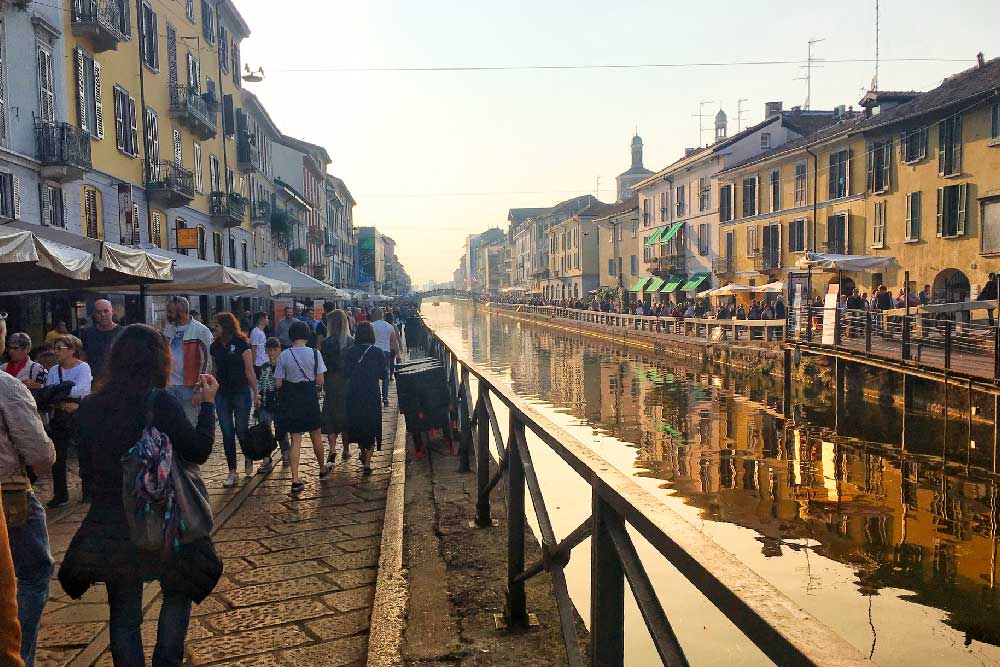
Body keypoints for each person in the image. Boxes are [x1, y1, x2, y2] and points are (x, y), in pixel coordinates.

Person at [59, 324, 222, 667]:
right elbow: (198, 451)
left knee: (123, 613)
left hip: (112, 522)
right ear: (158, 361)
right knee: (177, 593)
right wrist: (208, 406)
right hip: (165, 517)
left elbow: (86, 472)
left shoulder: (90, 407)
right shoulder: (158, 401)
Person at [1, 325, 56, 667]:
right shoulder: (7, 387)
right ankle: (18, 655)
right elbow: (40, 453)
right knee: (35, 571)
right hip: (9, 492)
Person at [274, 320, 326, 495]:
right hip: (310, 399)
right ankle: (322, 468)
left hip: (292, 400)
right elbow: (320, 381)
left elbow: (278, 383)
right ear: (307, 334)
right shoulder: (315, 353)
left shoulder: (284, 355)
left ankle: (295, 479)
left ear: (291, 336)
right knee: (316, 435)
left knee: (295, 439)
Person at [210, 313, 260, 486]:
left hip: (240, 391)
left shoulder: (241, 343)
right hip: (222, 393)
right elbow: (214, 371)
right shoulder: (215, 347)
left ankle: (248, 455)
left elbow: (249, 370)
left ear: (226, 326)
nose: (214, 328)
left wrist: (256, 393)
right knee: (226, 432)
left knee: (241, 429)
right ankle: (232, 471)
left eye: (217, 325)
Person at [44, 335, 92, 508]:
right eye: (55, 348)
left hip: (79, 414)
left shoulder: (83, 368)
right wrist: (63, 399)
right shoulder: (53, 370)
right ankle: (60, 493)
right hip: (60, 415)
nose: (56, 352)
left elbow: (83, 389)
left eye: (60, 348)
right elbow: (49, 391)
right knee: (58, 456)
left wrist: (61, 392)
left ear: (72, 350)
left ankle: (88, 490)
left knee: (84, 453)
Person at [163, 296, 214, 426]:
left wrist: (199, 388)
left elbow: (206, 362)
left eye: (170, 312)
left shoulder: (201, 330)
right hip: (169, 385)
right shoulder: (169, 328)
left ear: (180, 312)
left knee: (190, 424)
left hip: (190, 387)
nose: (168, 314)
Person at [344, 322, 387, 476]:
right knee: (371, 425)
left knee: (359, 424)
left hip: (354, 393)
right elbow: (383, 375)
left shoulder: (350, 352)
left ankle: (363, 453)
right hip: (371, 393)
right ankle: (367, 463)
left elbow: (346, 373)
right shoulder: (377, 352)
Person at [320, 310, 353, 468]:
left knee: (330, 416)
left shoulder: (326, 343)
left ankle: (332, 449)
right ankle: (346, 449)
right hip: (346, 383)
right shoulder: (351, 342)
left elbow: (322, 366)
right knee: (345, 416)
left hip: (331, 382)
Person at [257, 337, 288, 468]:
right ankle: (267, 457)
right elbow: (261, 385)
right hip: (266, 403)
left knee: (281, 429)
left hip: (280, 403)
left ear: (279, 350)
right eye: (269, 350)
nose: (272, 353)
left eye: (275, 350)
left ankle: (286, 454)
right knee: (265, 430)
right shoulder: (264, 367)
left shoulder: (284, 366)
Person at [81, 299, 120, 381]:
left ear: (112, 311)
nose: (102, 315)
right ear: (94, 314)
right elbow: (83, 358)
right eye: (99, 312)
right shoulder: (87, 334)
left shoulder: (123, 333)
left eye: (106, 311)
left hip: (117, 380)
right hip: (94, 380)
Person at [370, 308, 400, 407]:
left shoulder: (370, 326)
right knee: (385, 374)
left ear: (373, 315)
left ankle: (375, 395)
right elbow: (394, 341)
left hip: (373, 352)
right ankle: (385, 397)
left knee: (373, 374)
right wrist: (398, 354)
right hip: (386, 352)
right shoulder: (389, 326)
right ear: (382, 315)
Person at [249, 312, 269, 376]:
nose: (268, 320)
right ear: (261, 320)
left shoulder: (261, 332)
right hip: (259, 363)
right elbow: (253, 347)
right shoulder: (256, 332)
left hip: (263, 361)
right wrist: (253, 362)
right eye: (266, 318)